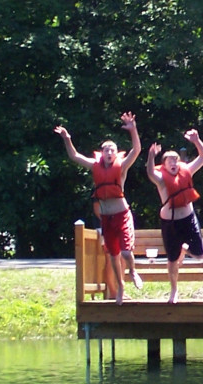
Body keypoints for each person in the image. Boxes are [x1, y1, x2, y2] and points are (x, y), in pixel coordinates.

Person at [55, 112, 143, 305]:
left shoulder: (122, 167)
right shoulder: (95, 165)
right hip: (106, 217)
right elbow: (74, 156)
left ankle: (133, 272)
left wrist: (133, 129)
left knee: (126, 253)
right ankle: (120, 287)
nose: (110, 153)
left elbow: (136, 150)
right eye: (106, 151)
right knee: (112, 255)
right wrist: (67, 139)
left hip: (121, 214)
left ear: (116, 153)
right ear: (102, 153)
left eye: (112, 150)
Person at [145, 129, 203, 304]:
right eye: (169, 160)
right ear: (164, 164)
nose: (173, 162)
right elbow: (150, 172)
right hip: (170, 222)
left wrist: (196, 141)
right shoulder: (160, 178)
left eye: (176, 159)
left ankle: (184, 248)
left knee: (198, 253)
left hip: (188, 218)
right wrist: (151, 156)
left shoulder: (186, 170)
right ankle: (174, 291)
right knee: (172, 259)